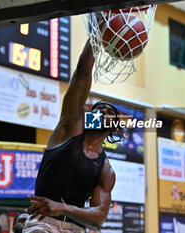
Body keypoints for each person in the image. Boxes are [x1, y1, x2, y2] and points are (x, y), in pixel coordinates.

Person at [23, 40, 126, 233]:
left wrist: (62, 208)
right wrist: (97, 36)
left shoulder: (106, 170)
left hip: (74, 229)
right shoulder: (69, 129)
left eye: (109, 112)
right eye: (98, 110)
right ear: (89, 118)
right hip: (43, 223)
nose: (103, 111)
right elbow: (82, 71)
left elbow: (99, 217)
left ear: (114, 130)